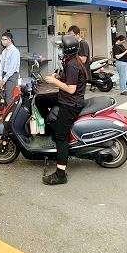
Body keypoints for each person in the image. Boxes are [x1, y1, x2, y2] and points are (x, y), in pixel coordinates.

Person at [42, 35, 87, 186]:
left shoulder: (73, 64)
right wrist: (58, 76)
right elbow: (67, 79)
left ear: (68, 50)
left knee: (61, 136)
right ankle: (50, 129)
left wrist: (54, 81)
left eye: (62, 47)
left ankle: (60, 174)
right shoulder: (69, 60)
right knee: (40, 99)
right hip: (64, 97)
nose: (60, 50)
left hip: (71, 103)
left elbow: (71, 89)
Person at [0, 32, 21, 105]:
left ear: (10, 40)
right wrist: (0, 77)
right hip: (4, 74)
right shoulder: (4, 51)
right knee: (3, 95)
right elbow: (1, 65)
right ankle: (5, 114)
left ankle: (12, 114)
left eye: (4, 39)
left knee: (9, 96)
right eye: (2, 39)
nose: (2, 41)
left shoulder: (14, 51)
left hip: (12, 75)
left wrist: (4, 80)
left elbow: (12, 68)